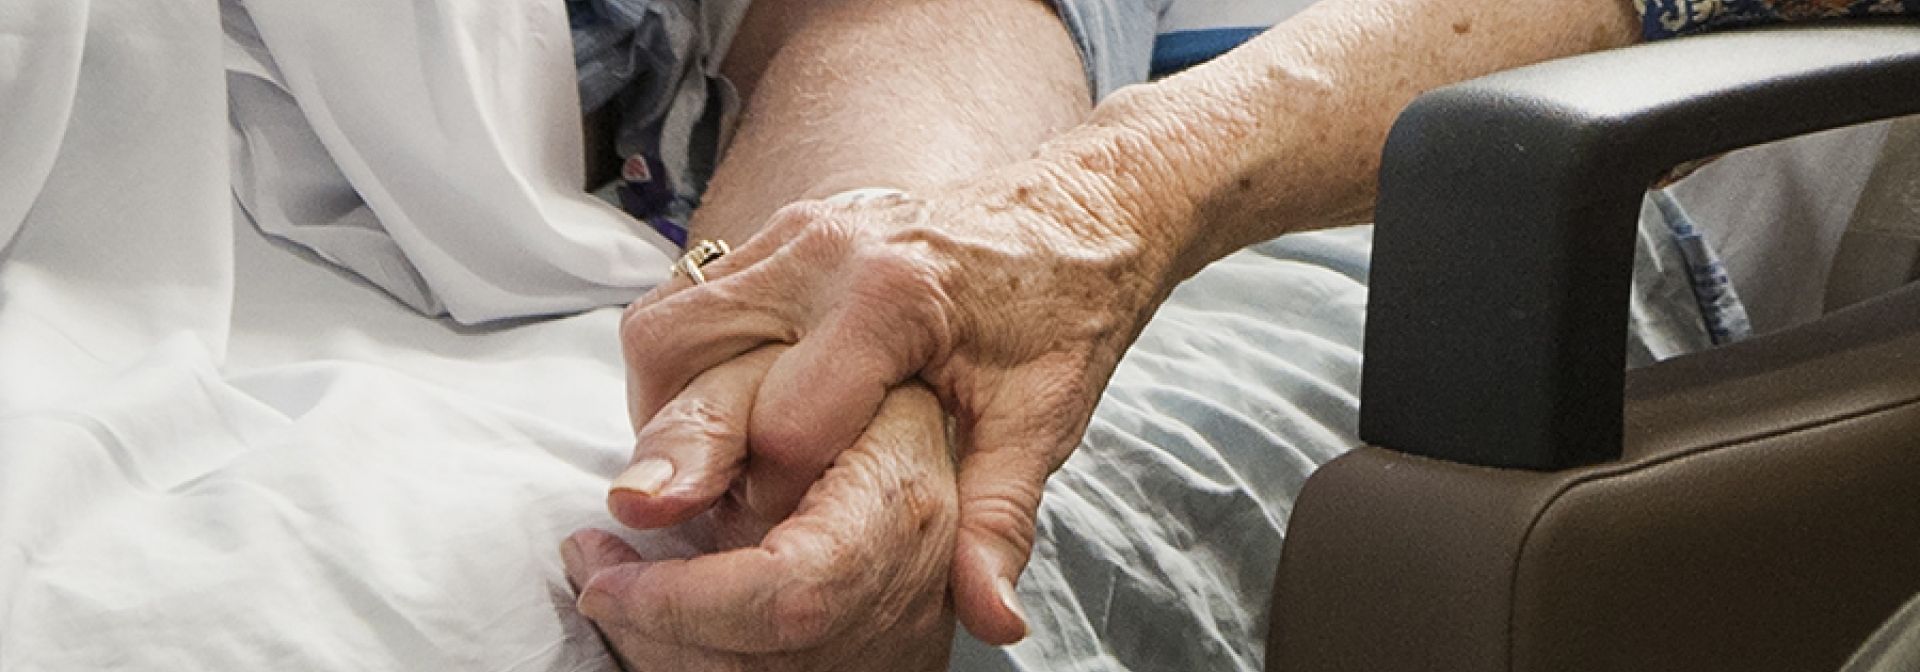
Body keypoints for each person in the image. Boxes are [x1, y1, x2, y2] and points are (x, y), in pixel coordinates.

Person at [566, 0, 1916, 669]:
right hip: (1041, 169)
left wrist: (1092, 204)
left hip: (1463, 186)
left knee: (945, 595)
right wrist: (859, 329)